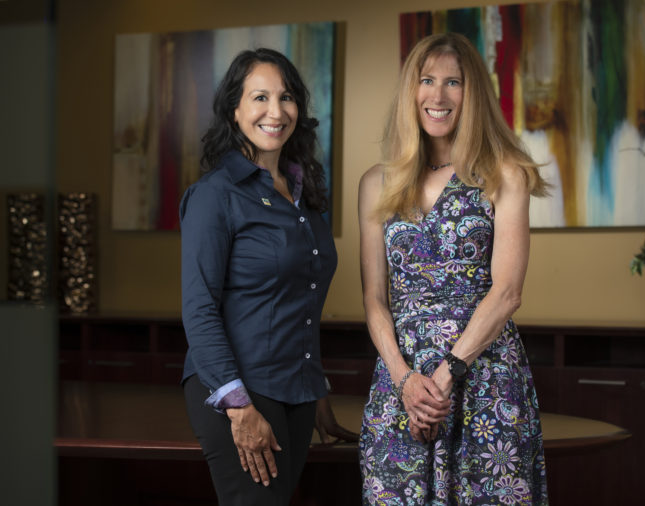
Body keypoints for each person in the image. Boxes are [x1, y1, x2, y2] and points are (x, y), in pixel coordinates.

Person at [357, 33, 549, 505]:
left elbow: (506, 292)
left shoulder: (506, 174)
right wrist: (406, 381)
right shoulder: (376, 183)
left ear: (473, 93)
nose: (438, 96)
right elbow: (375, 300)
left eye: (453, 82)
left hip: (483, 381)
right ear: (411, 91)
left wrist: (445, 376)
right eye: (427, 80)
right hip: (402, 386)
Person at [180, 48, 355, 506]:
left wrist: (314, 387)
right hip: (238, 388)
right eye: (260, 97)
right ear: (234, 110)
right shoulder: (214, 196)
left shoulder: (304, 195)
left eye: (287, 97)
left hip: (295, 387)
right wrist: (238, 407)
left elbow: (304, 299)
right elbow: (199, 308)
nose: (276, 112)